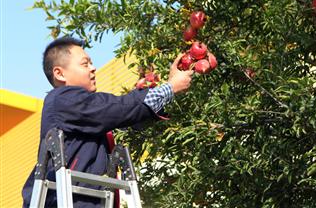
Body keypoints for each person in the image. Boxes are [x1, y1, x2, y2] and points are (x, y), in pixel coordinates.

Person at [22, 36, 193, 208]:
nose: (93, 68)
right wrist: (169, 88)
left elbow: (128, 118)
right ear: (60, 73)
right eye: (85, 63)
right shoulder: (61, 99)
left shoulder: (83, 114)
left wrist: (168, 93)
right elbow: (116, 109)